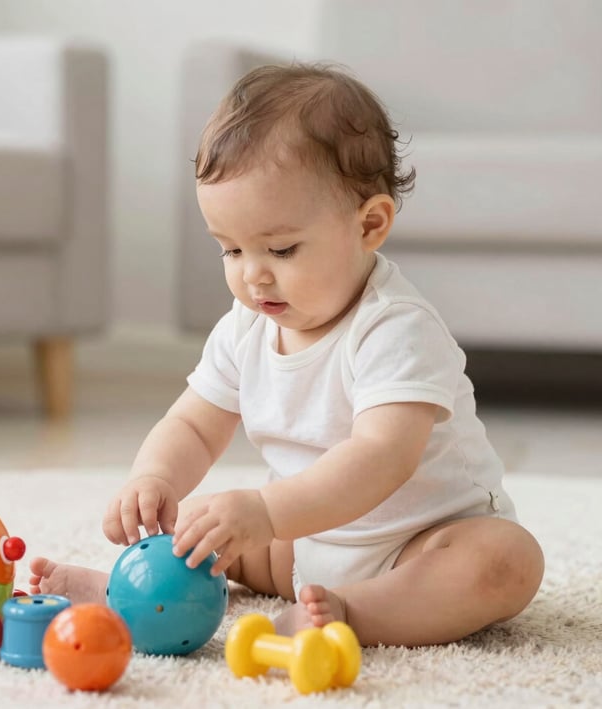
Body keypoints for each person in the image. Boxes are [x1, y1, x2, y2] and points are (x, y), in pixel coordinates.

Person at [30, 63, 544, 647]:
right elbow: (194, 425)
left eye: (280, 248)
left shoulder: (396, 328)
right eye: (230, 250)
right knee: (206, 525)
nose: (253, 275)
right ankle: (136, 594)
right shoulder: (245, 327)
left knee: (505, 562)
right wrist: (154, 477)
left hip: (417, 544)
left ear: (370, 224)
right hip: (301, 543)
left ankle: (352, 614)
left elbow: (383, 456)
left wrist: (267, 512)